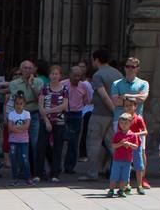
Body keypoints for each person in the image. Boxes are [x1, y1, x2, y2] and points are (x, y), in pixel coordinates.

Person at [110, 57, 151, 191]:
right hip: (120, 119)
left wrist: (125, 96)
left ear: (137, 68)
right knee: (121, 149)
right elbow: (116, 102)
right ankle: (122, 181)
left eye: (132, 67)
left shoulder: (143, 83)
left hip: (137, 119)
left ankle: (141, 180)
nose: (129, 69)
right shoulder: (116, 83)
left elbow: (143, 98)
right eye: (127, 66)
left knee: (140, 151)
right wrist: (135, 98)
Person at [85, 49, 120, 179]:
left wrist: (114, 111)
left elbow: (104, 96)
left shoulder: (98, 75)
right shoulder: (117, 73)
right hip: (114, 115)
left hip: (100, 114)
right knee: (113, 144)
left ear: (97, 60)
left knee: (93, 143)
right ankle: (122, 170)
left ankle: (92, 173)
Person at [40, 65, 70, 181]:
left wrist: (49, 110)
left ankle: (55, 173)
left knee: (58, 147)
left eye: (56, 74)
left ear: (60, 76)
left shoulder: (64, 89)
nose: (54, 76)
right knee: (42, 146)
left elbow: (64, 106)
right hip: (45, 121)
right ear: (49, 75)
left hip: (59, 121)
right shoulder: (44, 88)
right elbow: (41, 105)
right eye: (52, 73)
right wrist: (46, 118)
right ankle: (40, 172)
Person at [64, 63, 92, 174]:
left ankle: (69, 166)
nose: (77, 78)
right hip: (64, 113)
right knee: (60, 140)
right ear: (70, 75)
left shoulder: (83, 86)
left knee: (74, 142)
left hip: (76, 114)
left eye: (79, 76)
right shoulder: (63, 84)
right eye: (75, 75)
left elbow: (87, 100)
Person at [108, 112, 139, 198]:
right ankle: (111, 190)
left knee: (125, 176)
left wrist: (129, 144)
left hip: (128, 160)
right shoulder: (117, 134)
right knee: (114, 175)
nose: (123, 125)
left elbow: (136, 147)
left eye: (126, 123)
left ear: (130, 123)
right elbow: (113, 145)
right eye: (121, 123)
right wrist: (121, 144)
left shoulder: (133, 135)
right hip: (117, 159)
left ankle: (121, 190)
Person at [6, 94, 34, 185]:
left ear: (24, 104)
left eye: (21, 103)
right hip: (13, 140)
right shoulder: (11, 114)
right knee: (14, 159)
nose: (18, 105)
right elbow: (10, 128)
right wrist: (20, 128)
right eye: (17, 103)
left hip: (24, 141)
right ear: (14, 104)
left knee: (25, 158)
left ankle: (28, 177)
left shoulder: (26, 113)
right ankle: (15, 178)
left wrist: (16, 128)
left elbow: (27, 126)